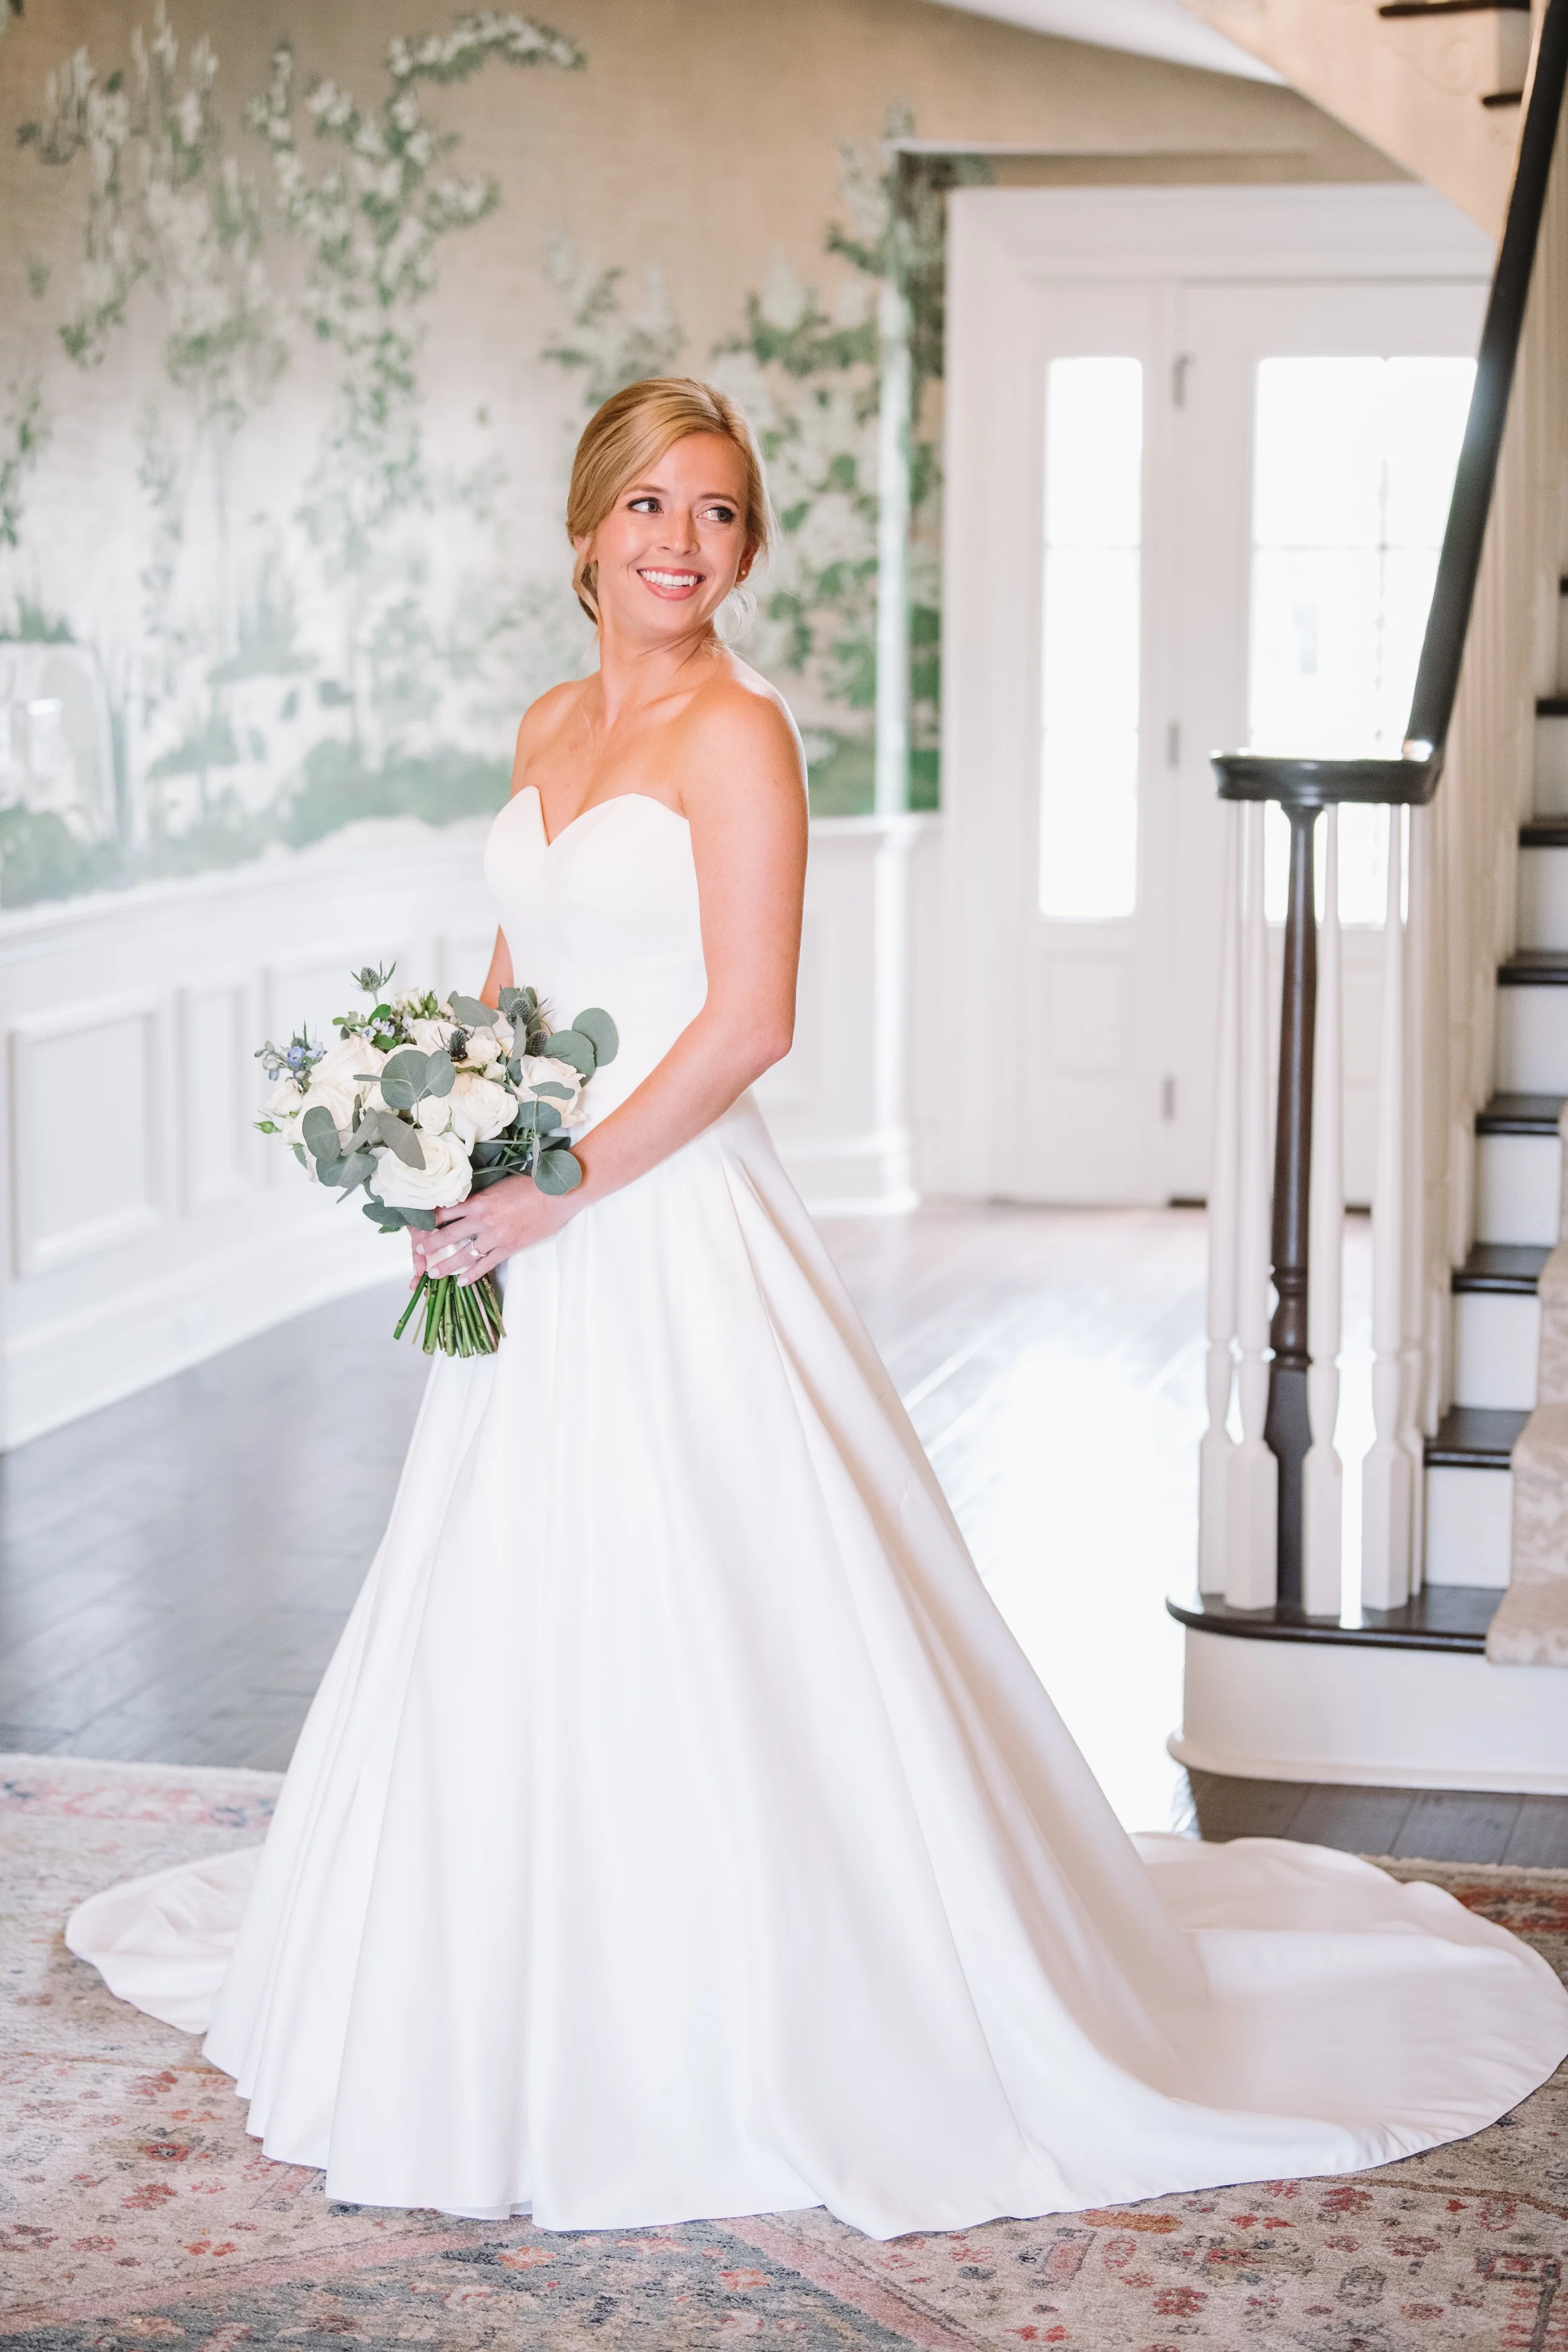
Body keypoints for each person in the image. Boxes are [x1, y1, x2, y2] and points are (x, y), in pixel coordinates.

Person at [68, 376, 1568, 2240]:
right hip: (534, 1215)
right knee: (502, 1586)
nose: (680, 544)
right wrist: (450, 1141)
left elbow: (749, 1022)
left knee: (724, 1591)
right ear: (586, 528)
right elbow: (522, 968)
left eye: (715, 513)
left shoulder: (738, 732)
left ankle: (780, 2005)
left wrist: (562, 1186)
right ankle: (497, 1968)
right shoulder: (549, 718)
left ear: (742, 546)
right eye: (648, 507)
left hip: (666, 1224)